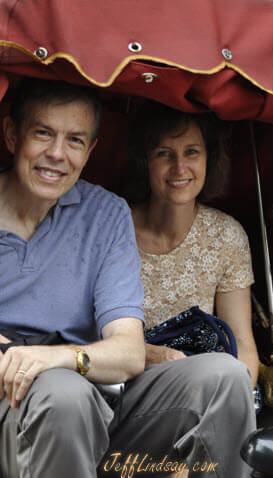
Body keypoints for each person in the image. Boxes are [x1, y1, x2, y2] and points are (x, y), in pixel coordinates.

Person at [0, 78, 253, 478]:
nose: (56, 154)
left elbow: (128, 352)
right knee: (63, 394)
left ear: (91, 151)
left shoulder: (103, 214)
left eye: (75, 141)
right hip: (13, 397)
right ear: (12, 135)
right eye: (43, 133)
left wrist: (63, 357)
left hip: (94, 391)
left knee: (225, 375)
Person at [125, 101, 259, 385]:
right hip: (122, 377)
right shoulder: (115, 227)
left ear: (208, 158)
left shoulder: (226, 236)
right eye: (164, 154)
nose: (179, 167)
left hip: (201, 384)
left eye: (191, 152)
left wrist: (237, 396)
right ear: (145, 160)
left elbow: (242, 342)